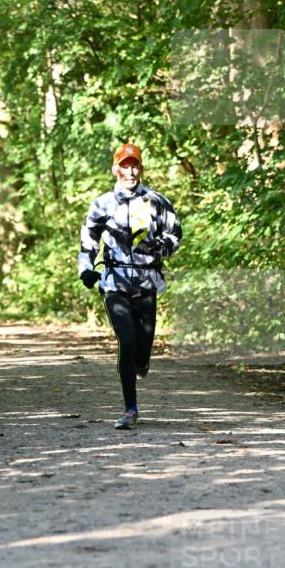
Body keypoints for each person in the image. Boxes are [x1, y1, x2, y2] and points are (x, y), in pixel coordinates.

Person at [78, 142, 182, 429]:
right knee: (127, 340)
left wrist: (162, 247)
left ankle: (141, 363)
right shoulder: (102, 204)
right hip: (115, 282)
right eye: (125, 166)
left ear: (141, 168)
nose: (131, 171)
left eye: (135, 165)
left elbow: (175, 232)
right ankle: (130, 408)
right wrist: (86, 269)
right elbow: (89, 237)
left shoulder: (157, 201)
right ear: (116, 169)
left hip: (147, 281)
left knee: (143, 350)